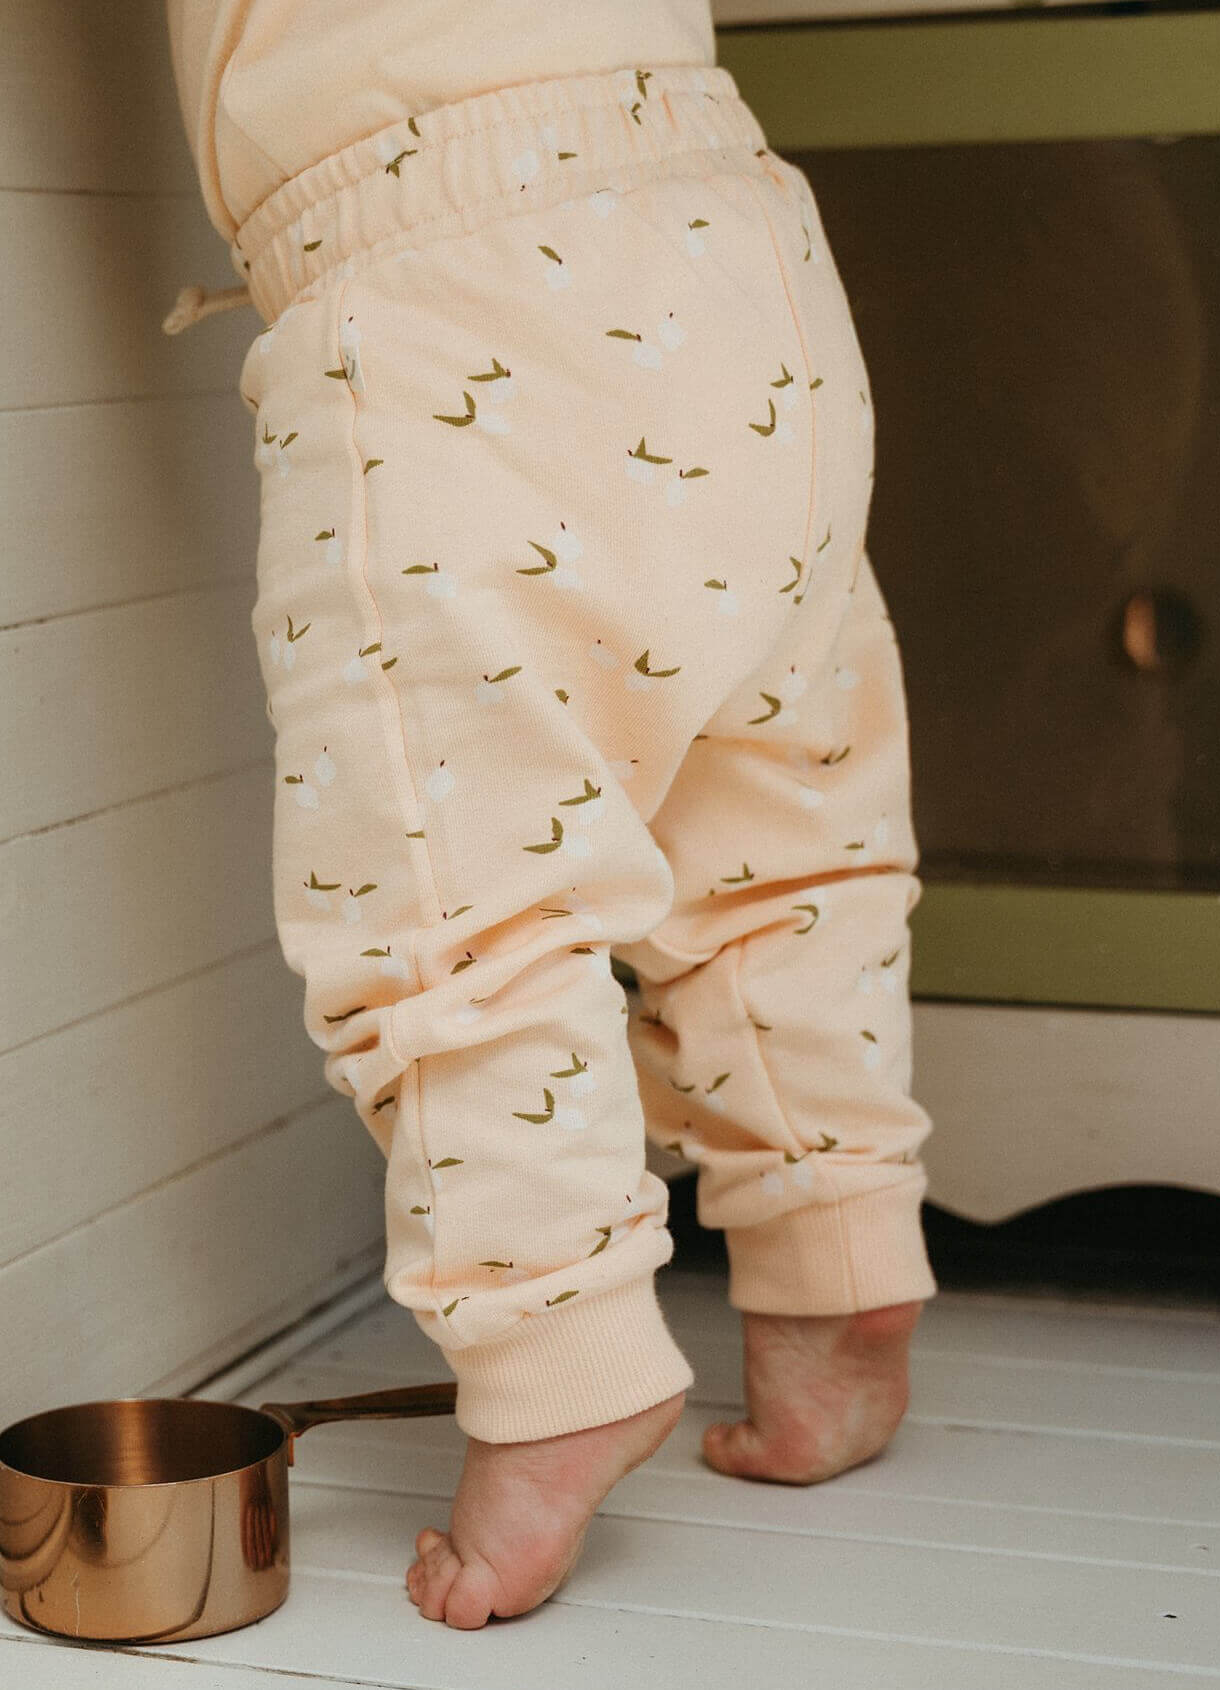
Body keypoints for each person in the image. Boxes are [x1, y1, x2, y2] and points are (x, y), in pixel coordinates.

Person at [164, 0, 936, 1630]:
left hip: (444, 279)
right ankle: (839, 1267)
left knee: (451, 880)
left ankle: (556, 1360)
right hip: (738, 237)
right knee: (781, 829)